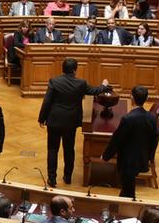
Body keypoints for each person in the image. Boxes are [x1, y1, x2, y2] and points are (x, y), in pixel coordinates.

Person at [37, 58, 110, 186]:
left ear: (62, 69)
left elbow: (47, 101)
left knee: (52, 149)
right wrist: (104, 85)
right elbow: (94, 91)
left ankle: (52, 178)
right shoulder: (81, 83)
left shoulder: (54, 81)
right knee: (69, 149)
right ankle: (67, 177)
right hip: (70, 122)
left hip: (54, 120)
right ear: (75, 70)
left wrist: (41, 118)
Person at [102, 86, 159, 198]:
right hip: (141, 158)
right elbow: (153, 140)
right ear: (147, 98)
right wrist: (148, 156)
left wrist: (106, 156)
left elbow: (117, 140)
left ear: (131, 98)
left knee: (128, 192)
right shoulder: (152, 118)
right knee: (127, 190)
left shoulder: (128, 119)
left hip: (127, 161)